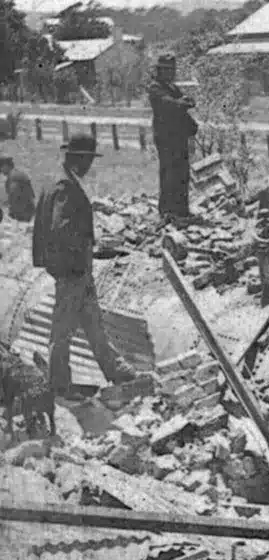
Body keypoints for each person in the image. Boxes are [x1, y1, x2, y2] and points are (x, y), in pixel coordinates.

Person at [31, 134, 142, 400]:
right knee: (63, 329)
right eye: (88, 159)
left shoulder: (57, 180)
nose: (90, 165)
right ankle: (59, 385)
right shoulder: (65, 187)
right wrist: (80, 251)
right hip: (73, 272)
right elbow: (61, 228)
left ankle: (116, 370)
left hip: (77, 270)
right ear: (77, 158)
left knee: (93, 323)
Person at [147, 54, 198, 221]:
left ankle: (182, 210)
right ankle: (167, 211)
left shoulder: (173, 88)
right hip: (166, 138)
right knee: (169, 173)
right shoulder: (155, 88)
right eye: (166, 70)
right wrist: (181, 103)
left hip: (179, 137)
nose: (170, 73)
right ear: (160, 71)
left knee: (183, 173)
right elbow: (169, 104)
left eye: (172, 70)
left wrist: (191, 123)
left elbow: (183, 105)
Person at [0, 156, 34, 222]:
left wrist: (10, 212)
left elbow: (14, 196)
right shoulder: (17, 174)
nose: (0, 171)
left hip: (22, 214)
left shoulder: (14, 177)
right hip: (26, 212)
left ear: (6, 166)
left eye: (1, 167)